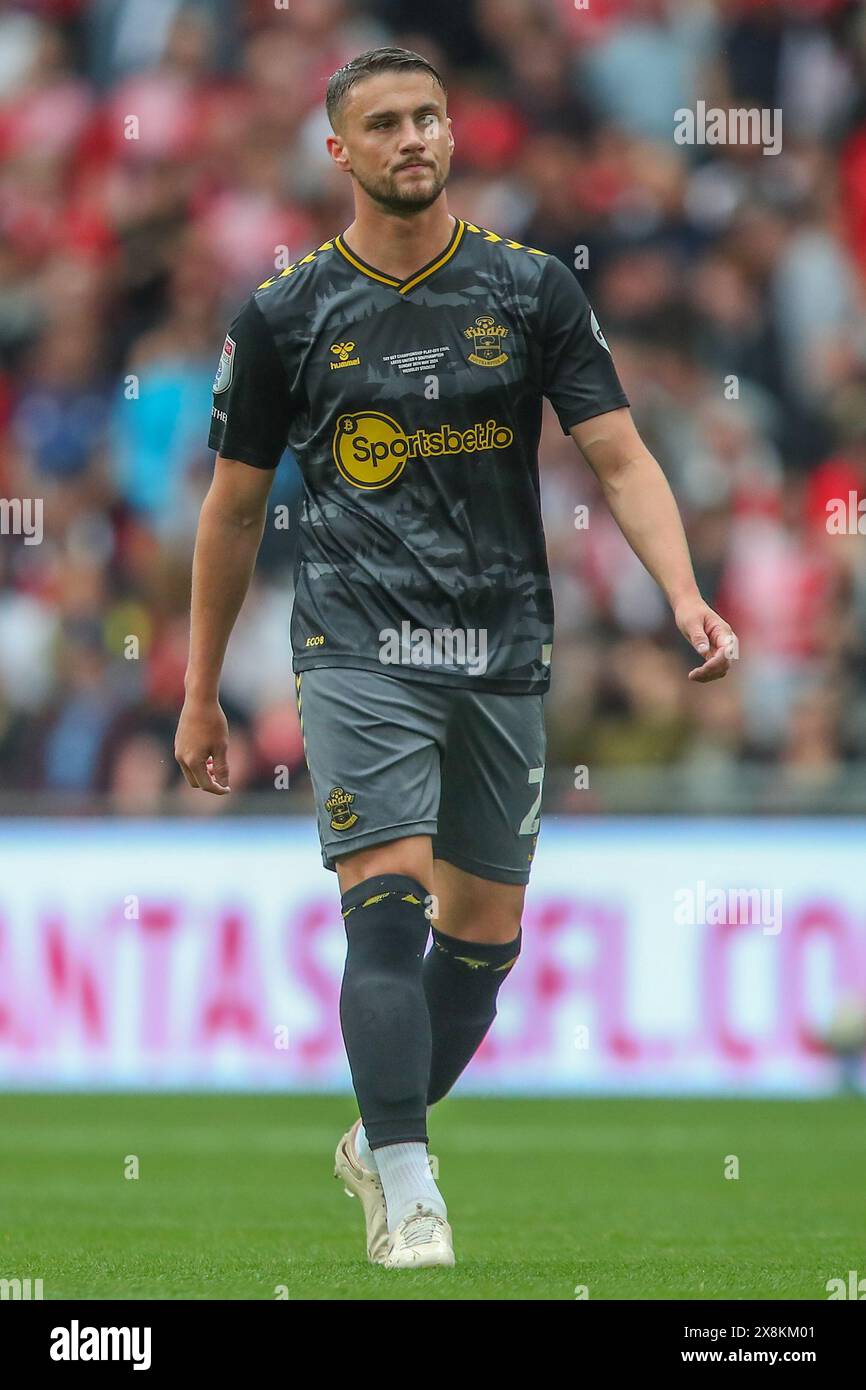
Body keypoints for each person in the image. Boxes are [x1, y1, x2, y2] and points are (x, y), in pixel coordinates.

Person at [174, 46, 737, 1270]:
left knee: (482, 942)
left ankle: (376, 1135)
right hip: (358, 643)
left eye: (427, 115)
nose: (412, 138)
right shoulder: (283, 313)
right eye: (383, 123)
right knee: (386, 904)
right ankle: (411, 1189)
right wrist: (199, 686)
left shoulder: (530, 289)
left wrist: (682, 593)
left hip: (501, 644)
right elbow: (228, 511)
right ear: (339, 152)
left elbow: (621, 458)